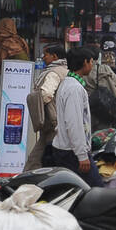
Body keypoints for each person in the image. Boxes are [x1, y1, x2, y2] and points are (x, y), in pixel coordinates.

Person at [46, 47, 104, 186]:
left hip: (68, 149)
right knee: (96, 189)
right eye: (91, 62)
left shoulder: (70, 83)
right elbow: (74, 123)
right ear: (85, 62)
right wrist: (82, 155)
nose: (92, 65)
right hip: (71, 152)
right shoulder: (74, 88)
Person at [26, 43, 68, 171]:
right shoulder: (66, 70)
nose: (43, 57)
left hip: (52, 124)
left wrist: (33, 99)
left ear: (54, 56)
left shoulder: (53, 73)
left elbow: (46, 94)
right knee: (37, 159)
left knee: (37, 160)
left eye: (46, 54)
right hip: (57, 124)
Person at [83, 44, 116, 130]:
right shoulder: (104, 69)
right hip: (105, 109)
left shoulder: (83, 69)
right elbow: (115, 85)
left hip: (89, 109)